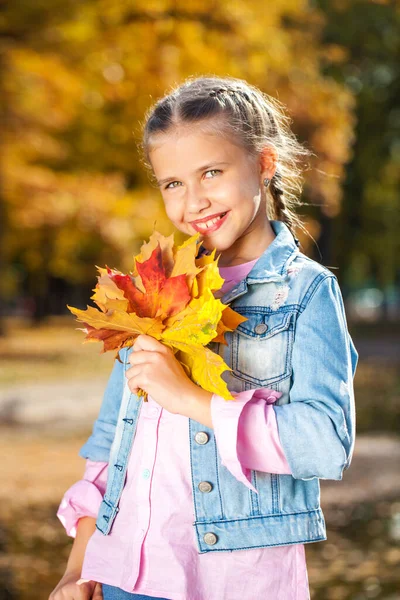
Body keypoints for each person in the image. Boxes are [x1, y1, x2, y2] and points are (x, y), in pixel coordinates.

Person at [49, 76, 358, 600]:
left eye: (211, 173)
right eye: (173, 183)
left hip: (235, 581)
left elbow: (325, 444)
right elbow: (109, 443)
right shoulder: (155, 288)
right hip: (127, 575)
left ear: (264, 163)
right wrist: (77, 568)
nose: (193, 202)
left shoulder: (305, 293)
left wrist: (194, 401)